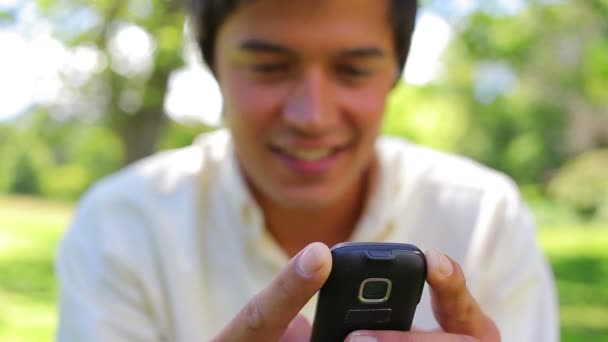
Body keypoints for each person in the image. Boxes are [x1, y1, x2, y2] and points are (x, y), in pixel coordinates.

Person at [56, 0, 559, 341]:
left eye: (353, 70)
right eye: (269, 66)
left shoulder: (485, 216)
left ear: (396, 72)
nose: (311, 116)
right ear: (213, 64)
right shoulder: (120, 224)